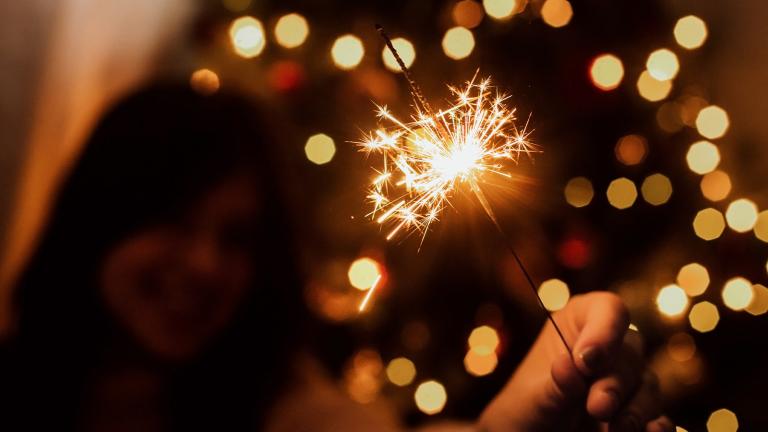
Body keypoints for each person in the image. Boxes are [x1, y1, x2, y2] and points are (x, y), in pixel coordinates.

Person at [0, 83, 673, 432]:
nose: (205, 264)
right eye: (173, 220)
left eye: (237, 238)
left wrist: (504, 429)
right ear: (101, 218)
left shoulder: (278, 404)